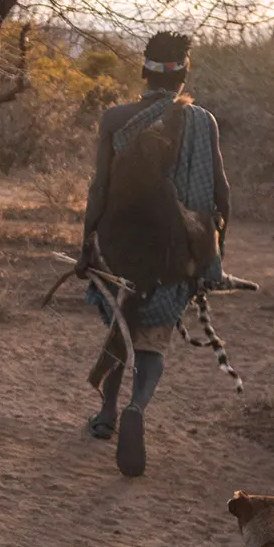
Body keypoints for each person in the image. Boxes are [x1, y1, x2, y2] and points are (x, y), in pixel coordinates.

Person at [75, 31, 231, 477]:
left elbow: (99, 187)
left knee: (121, 324)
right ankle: (136, 408)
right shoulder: (204, 122)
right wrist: (212, 250)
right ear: (184, 75)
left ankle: (105, 416)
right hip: (175, 253)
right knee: (153, 340)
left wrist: (87, 244)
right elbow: (221, 192)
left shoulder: (114, 118)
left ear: (144, 71)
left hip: (118, 249)